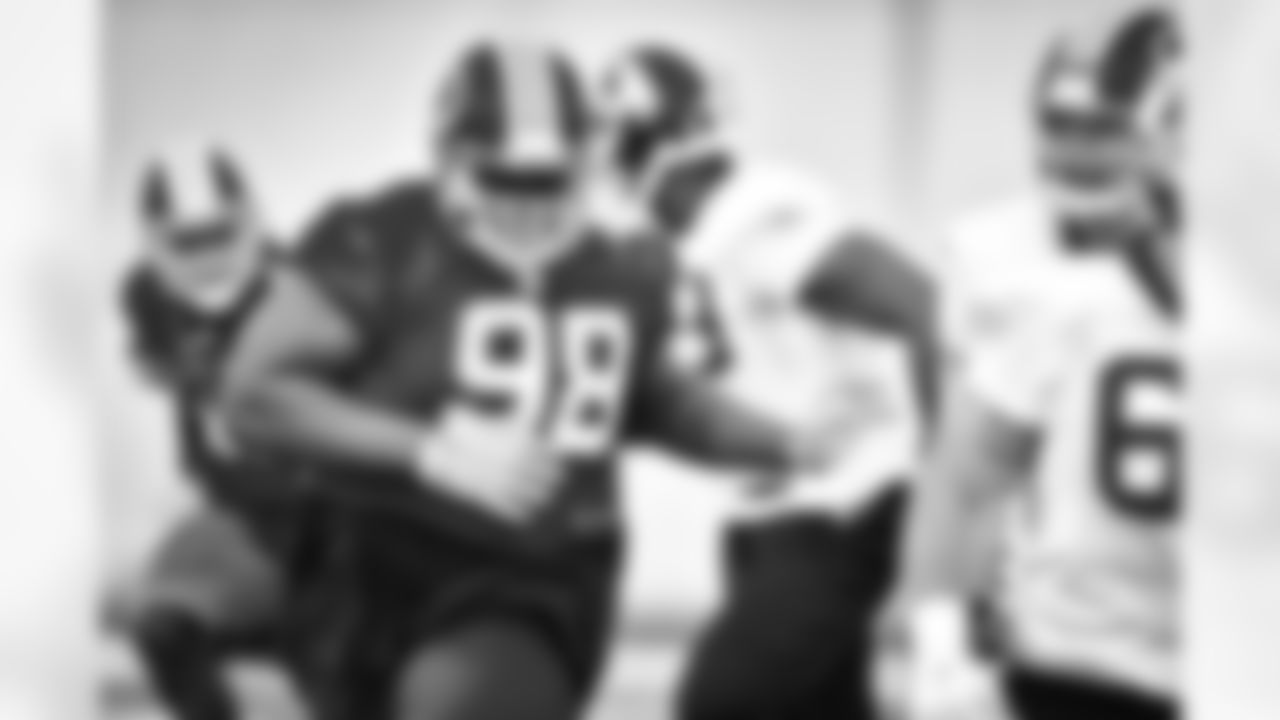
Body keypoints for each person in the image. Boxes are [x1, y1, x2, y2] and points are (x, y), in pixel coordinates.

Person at [220, 38, 848, 720]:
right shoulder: (382, 242)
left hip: (532, 571)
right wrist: (423, 449)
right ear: (450, 160)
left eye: (550, 179)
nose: (529, 203)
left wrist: (787, 441)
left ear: (588, 160)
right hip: (365, 566)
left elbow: (654, 398)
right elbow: (252, 395)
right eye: (505, 178)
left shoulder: (619, 265)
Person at [593, 44, 940, 720]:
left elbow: (926, 310)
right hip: (766, 515)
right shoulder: (676, 240)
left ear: (641, 142)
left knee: (723, 703)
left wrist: (940, 483)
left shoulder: (754, 216)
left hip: (843, 505)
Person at [883, 7, 1182, 720]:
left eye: (1104, 128)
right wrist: (948, 644)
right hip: (1070, 625)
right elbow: (961, 470)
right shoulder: (991, 255)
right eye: (1059, 125)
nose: (1079, 151)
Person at [114, 145, 316, 720]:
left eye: (218, 234)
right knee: (164, 628)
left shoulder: (306, 283)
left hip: (340, 507)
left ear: (248, 221)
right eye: (187, 240)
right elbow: (152, 364)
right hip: (242, 511)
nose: (207, 258)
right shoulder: (147, 294)